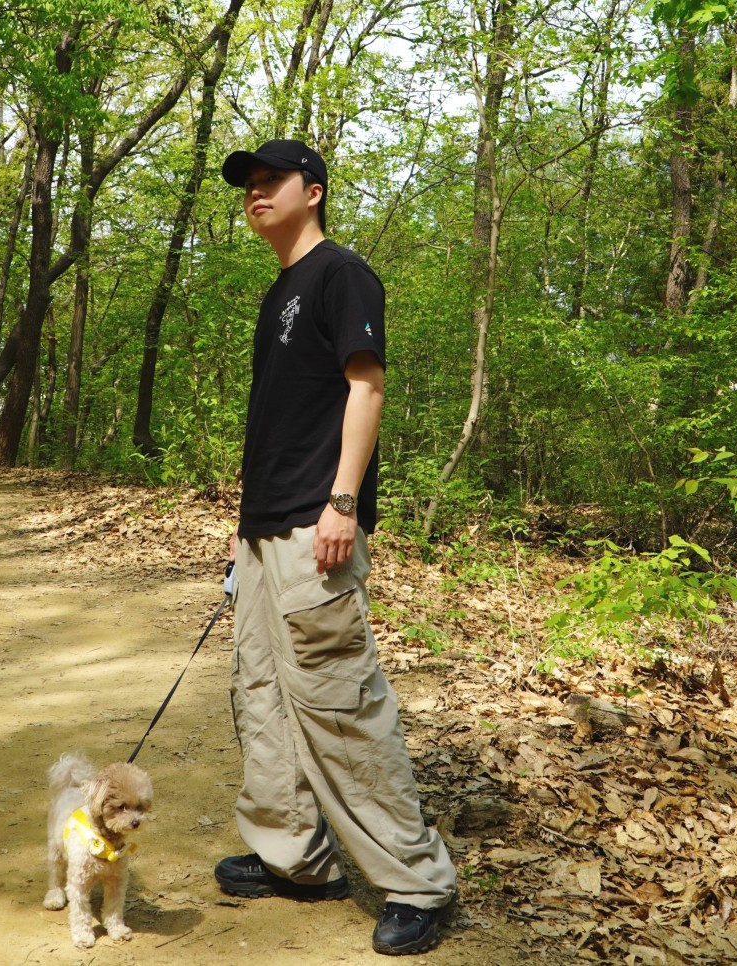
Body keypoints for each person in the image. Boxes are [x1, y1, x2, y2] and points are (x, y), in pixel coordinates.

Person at [215, 139, 458, 957]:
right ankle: (297, 857)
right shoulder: (277, 291)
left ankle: (416, 882)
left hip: (318, 526)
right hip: (265, 532)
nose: (255, 192)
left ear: (311, 192)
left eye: (270, 180)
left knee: (340, 704)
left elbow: (367, 386)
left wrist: (342, 503)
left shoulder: (341, 273)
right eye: (248, 184)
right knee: (263, 697)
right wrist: (243, 542)